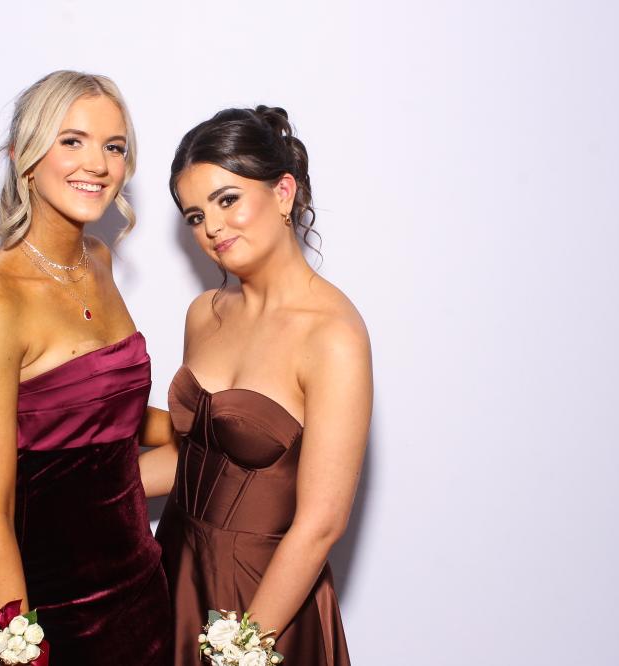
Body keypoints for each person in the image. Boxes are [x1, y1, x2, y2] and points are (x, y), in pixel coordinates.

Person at [0, 70, 171, 665]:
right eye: (72, 141)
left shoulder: (97, 258)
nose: (97, 163)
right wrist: (23, 652)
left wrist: (210, 424)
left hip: (143, 589)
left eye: (114, 146)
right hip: (61, 614)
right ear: (23, 158)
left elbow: (105, 420)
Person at [142, 105, 372, 665]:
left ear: (283, 192)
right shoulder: (204, 314)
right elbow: (194, 460)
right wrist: (77, 494)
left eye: (227, 200)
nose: (212, 227)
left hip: (266, 603)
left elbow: (321, 525)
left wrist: (243, 648)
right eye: (195, 215)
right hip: (176, 572)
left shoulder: (333, 336)